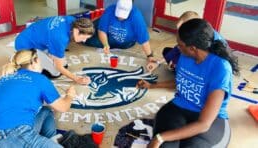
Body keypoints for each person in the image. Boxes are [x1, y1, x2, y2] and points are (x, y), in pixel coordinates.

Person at [137, 19, 239, 148]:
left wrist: (159, 138)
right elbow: (182, 80)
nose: (177, 47)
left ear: (192, 48)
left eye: (179, 45)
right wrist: (152, 85)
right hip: (179, 108)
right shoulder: (184, 56)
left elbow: (204, 124)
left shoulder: (220, 68)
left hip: (211, 120)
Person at [0, 49, 76, 148]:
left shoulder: (3, 79)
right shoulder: (39, 78)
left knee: (45, 111)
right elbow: (63, 107)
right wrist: (70, 95)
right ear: (34, 62)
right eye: (40, 61)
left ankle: (50, 141)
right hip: (11, 135)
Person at [15, 16, 94, 85]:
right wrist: (77, 79)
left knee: (64, 65)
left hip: (34, 35)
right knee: (55, 73)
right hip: (25, 46)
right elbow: (59, 67)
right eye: (84, 37)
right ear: (76, 31)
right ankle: (27, 65)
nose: (84, 41)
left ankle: (41, 58)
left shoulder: (72, 20)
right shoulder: (60, 39)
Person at [147, 11, 228, 72]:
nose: (179, 34)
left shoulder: (207, 42)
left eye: (181, 30)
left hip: (207, 69)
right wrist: (158, 62)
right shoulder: (196, 33)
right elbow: (177, 48)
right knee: (167, 51)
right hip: (196, 58)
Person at [84, 0, 155, 62]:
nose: (120, 17)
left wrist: (149, 56)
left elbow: (144, 39)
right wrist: (105, 45)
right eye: (119, 13)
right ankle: (95, 21)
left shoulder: (136, 15)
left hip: (125, 43)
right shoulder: (110, 10)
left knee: (88, 41)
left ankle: (96, 23)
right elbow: (101, 30)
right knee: (88, 30)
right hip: (108, 37)